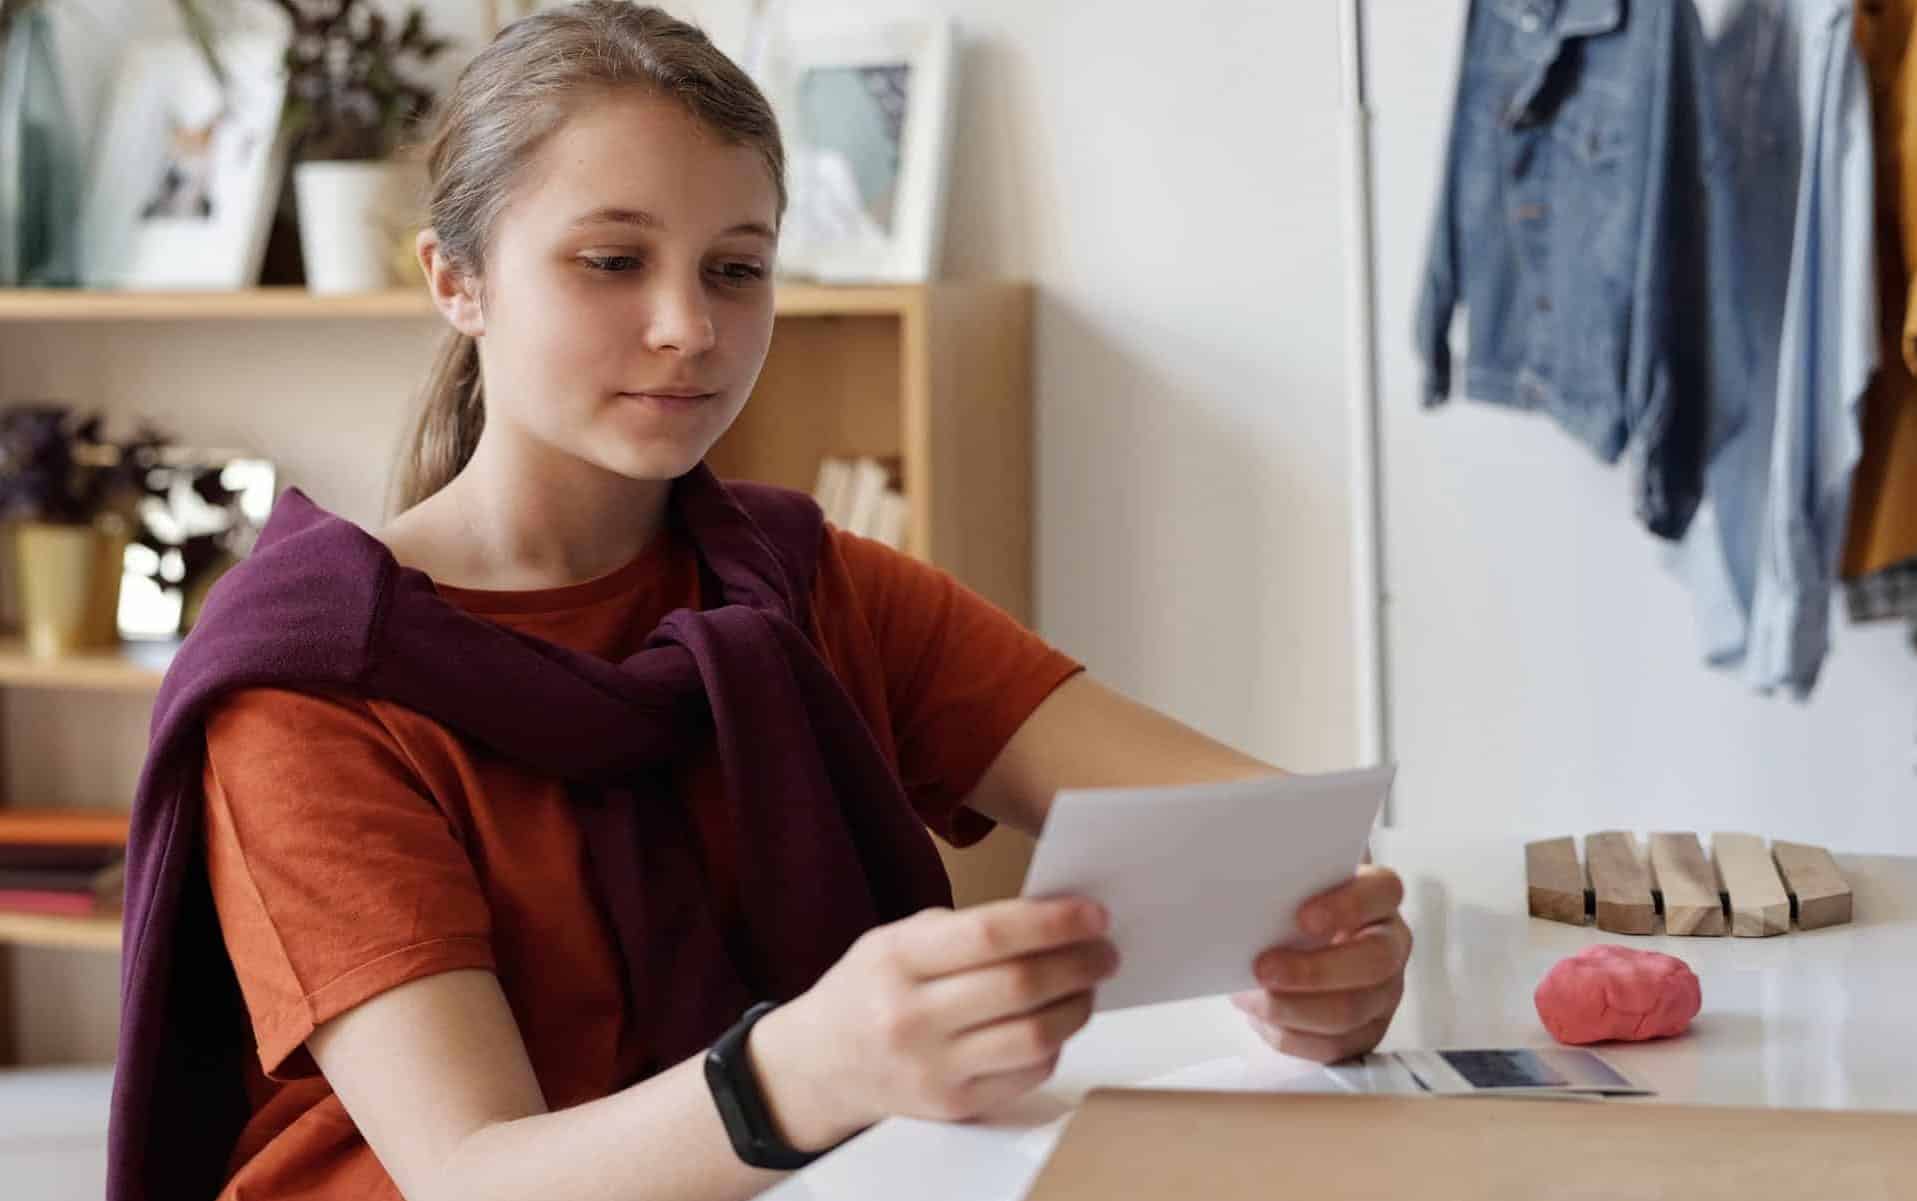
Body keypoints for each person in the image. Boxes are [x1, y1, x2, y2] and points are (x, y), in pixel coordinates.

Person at [162, 5, 1412, 1198]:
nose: (687, 327)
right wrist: (811, 1066)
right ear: (456, 279)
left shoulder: (803, 583)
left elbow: (1263, 834)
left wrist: (1322, 947)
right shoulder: (312, 682)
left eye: (738, 269)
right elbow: (475, 1174)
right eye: (611, 261)